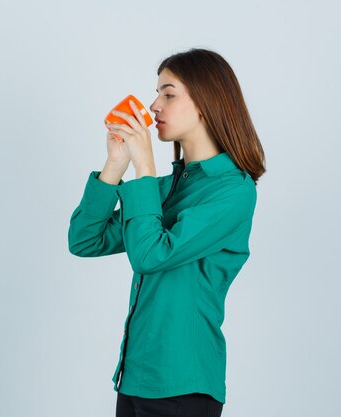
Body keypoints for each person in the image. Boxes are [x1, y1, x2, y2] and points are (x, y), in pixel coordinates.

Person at [68, 48, 266, 417]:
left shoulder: (234, 191)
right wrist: (115, 166)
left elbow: (150, 255)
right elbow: (84, 240)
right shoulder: (162, 188)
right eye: (157, 93)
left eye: (168, 94)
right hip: (135, 377)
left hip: (183, 385)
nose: (153, 106)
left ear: (206, 103)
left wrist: (143, 165)